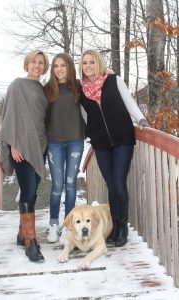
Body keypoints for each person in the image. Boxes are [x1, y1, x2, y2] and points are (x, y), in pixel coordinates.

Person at [78, 49, 150, 247]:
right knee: (111, 185)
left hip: (122, 139)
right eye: (85, 63)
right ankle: (115, 225)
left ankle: (122, 225)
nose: (88, 66)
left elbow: (129, 102)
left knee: (118, 183)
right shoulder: (81, 91)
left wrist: (141, 120)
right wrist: (90, 135)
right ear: (81, 67)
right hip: (100, 144)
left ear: (98, 63)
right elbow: (86, 117)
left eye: (92, 62)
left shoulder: (113, 80)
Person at [0, 50, 49, 262]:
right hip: (20, 148)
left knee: (33, 190)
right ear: (27, 64)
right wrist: (12, 145)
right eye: (33, 62)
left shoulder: (43, 89)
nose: (37, 65)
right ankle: (31, 242)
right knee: (28, 191)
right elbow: (9, 117)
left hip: (39, 145)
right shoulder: (17, 85)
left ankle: (22, 234)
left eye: (41, 63)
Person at [44, 53, 86, 244]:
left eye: (63, 66)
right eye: (55, 66)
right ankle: (53, 224)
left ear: (69, 68)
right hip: (54, 143)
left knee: (70, 185)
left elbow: (97, 86)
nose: (59, 69)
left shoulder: (78, 86)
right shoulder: (47, 89)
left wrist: (107, 74)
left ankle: (69, 226)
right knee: (56, 185)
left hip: (75, 142)